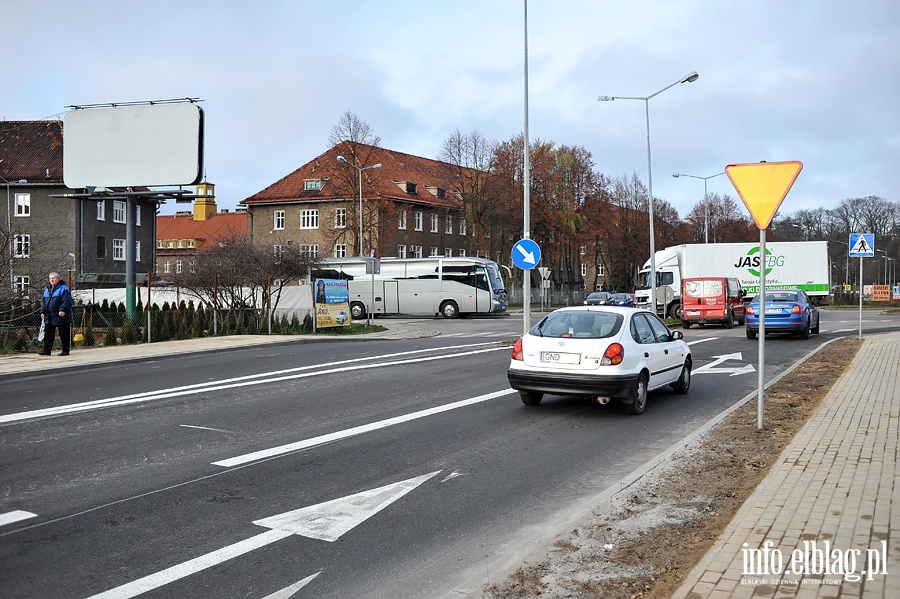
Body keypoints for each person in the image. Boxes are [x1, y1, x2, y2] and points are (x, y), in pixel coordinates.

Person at [39, 272, 73, 356]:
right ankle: (47, 350)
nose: (52, 280)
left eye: (53, 278)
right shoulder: (47, 289)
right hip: (49, 316)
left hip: (61, 315)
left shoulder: (63, 289)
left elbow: (67, 301)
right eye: (50, 278)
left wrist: (62, 310)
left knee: (63, 334)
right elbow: (44, 302)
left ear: (58, 279)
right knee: (48, 334)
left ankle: (65, 350)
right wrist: (43, 311)